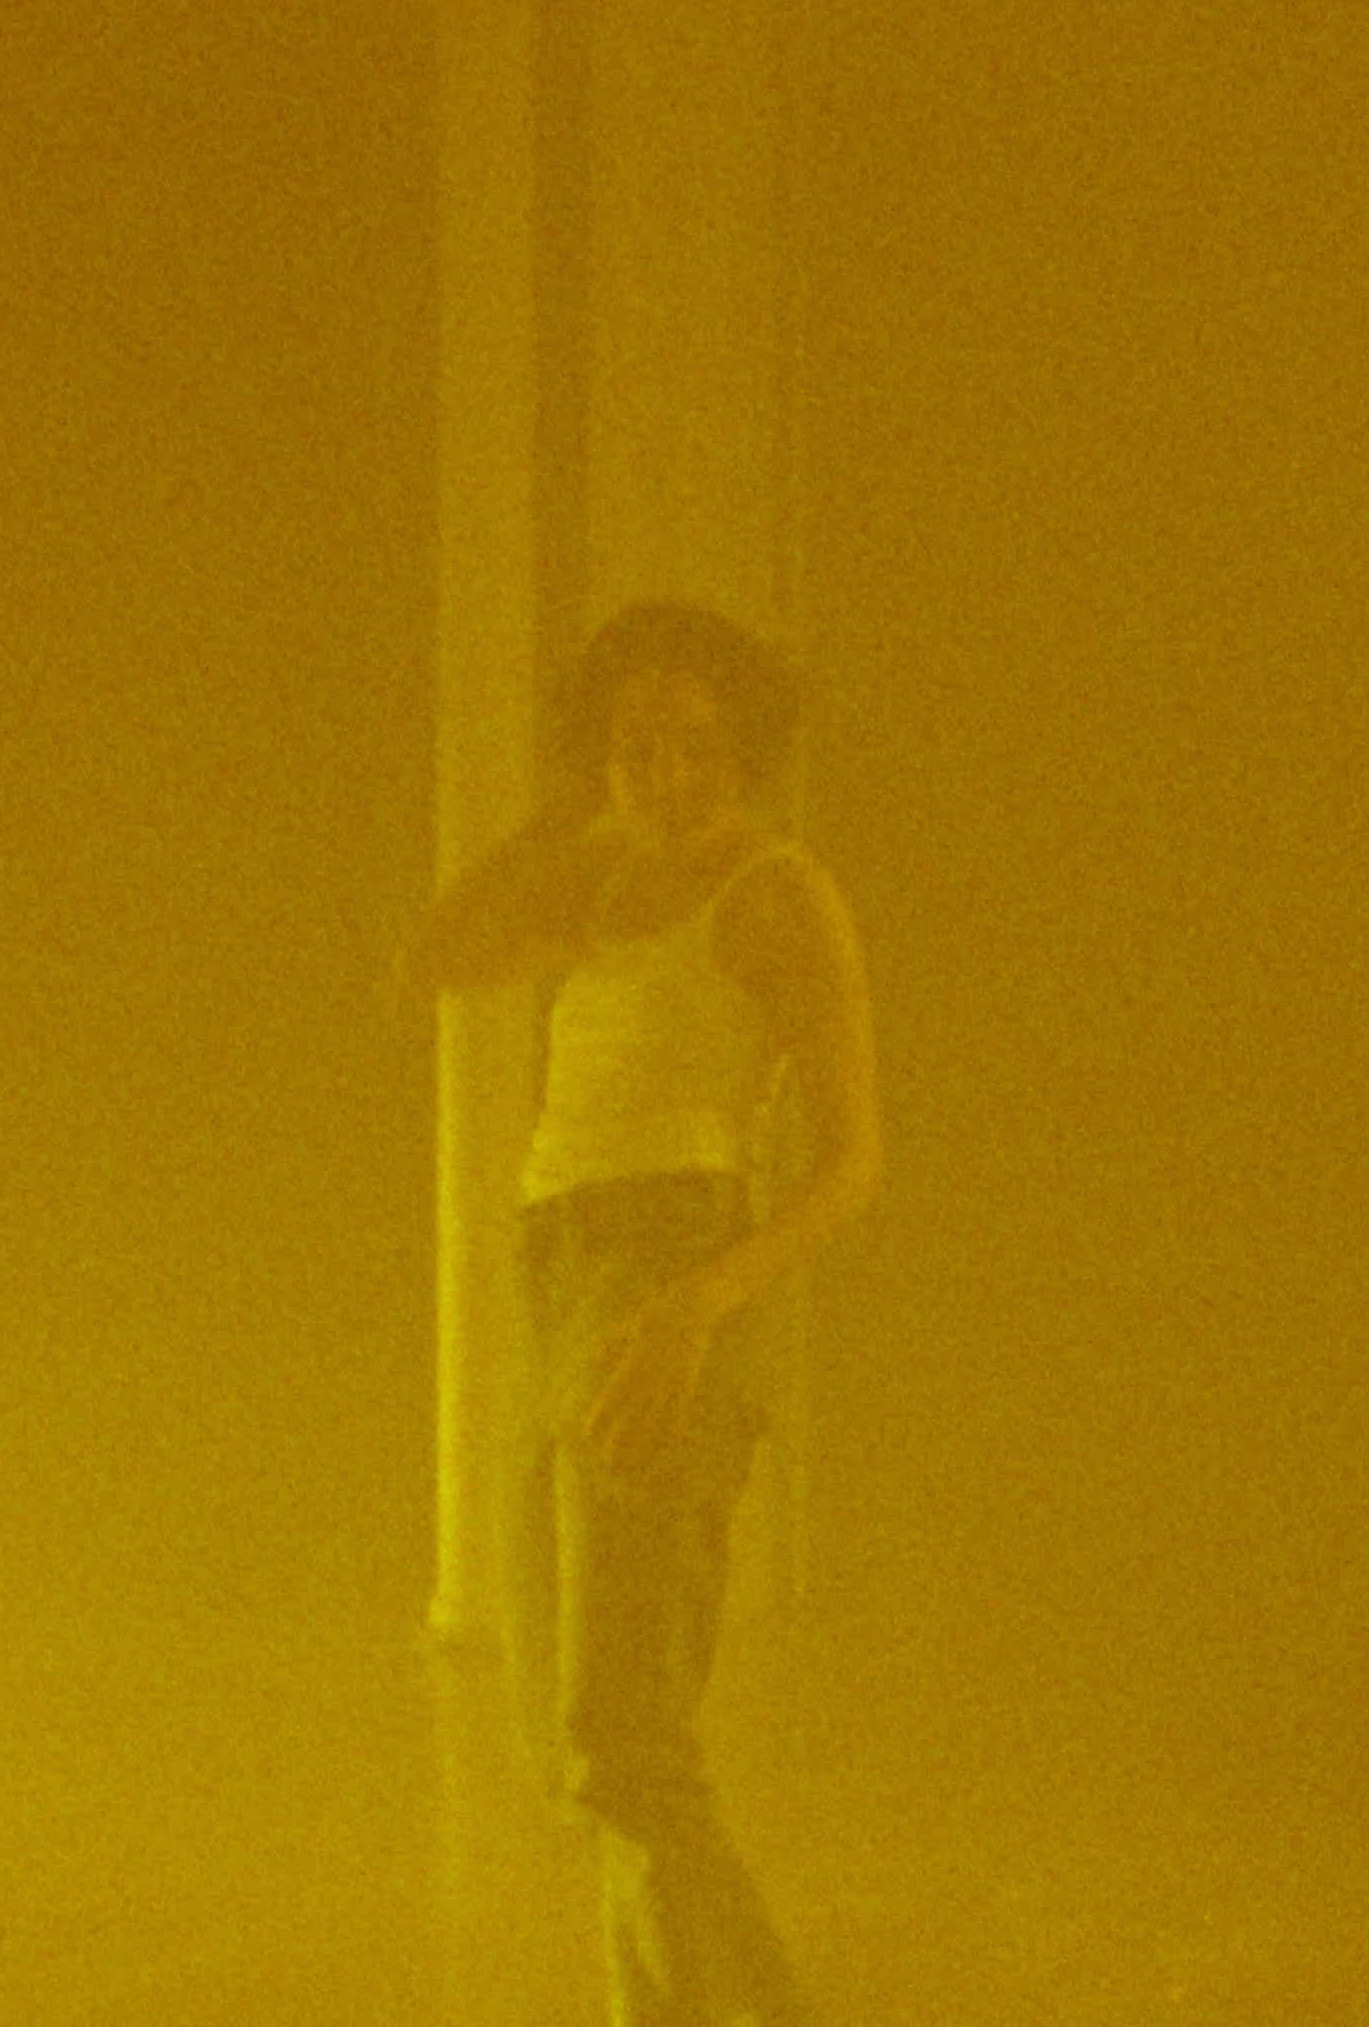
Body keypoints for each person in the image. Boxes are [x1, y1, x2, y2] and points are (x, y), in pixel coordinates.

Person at [403, 600, 883, 2027]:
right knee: (572, 1747)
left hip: (669, 1265)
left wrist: (695, 1311)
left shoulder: (779, 893)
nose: (670, 776)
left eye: (698, 747)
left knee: (623, 1737)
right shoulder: (601, 883)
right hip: (553, 1271)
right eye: (635, 748)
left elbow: (854, 1161)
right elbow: (438, 956)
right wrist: (570, 810)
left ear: (747, 749)